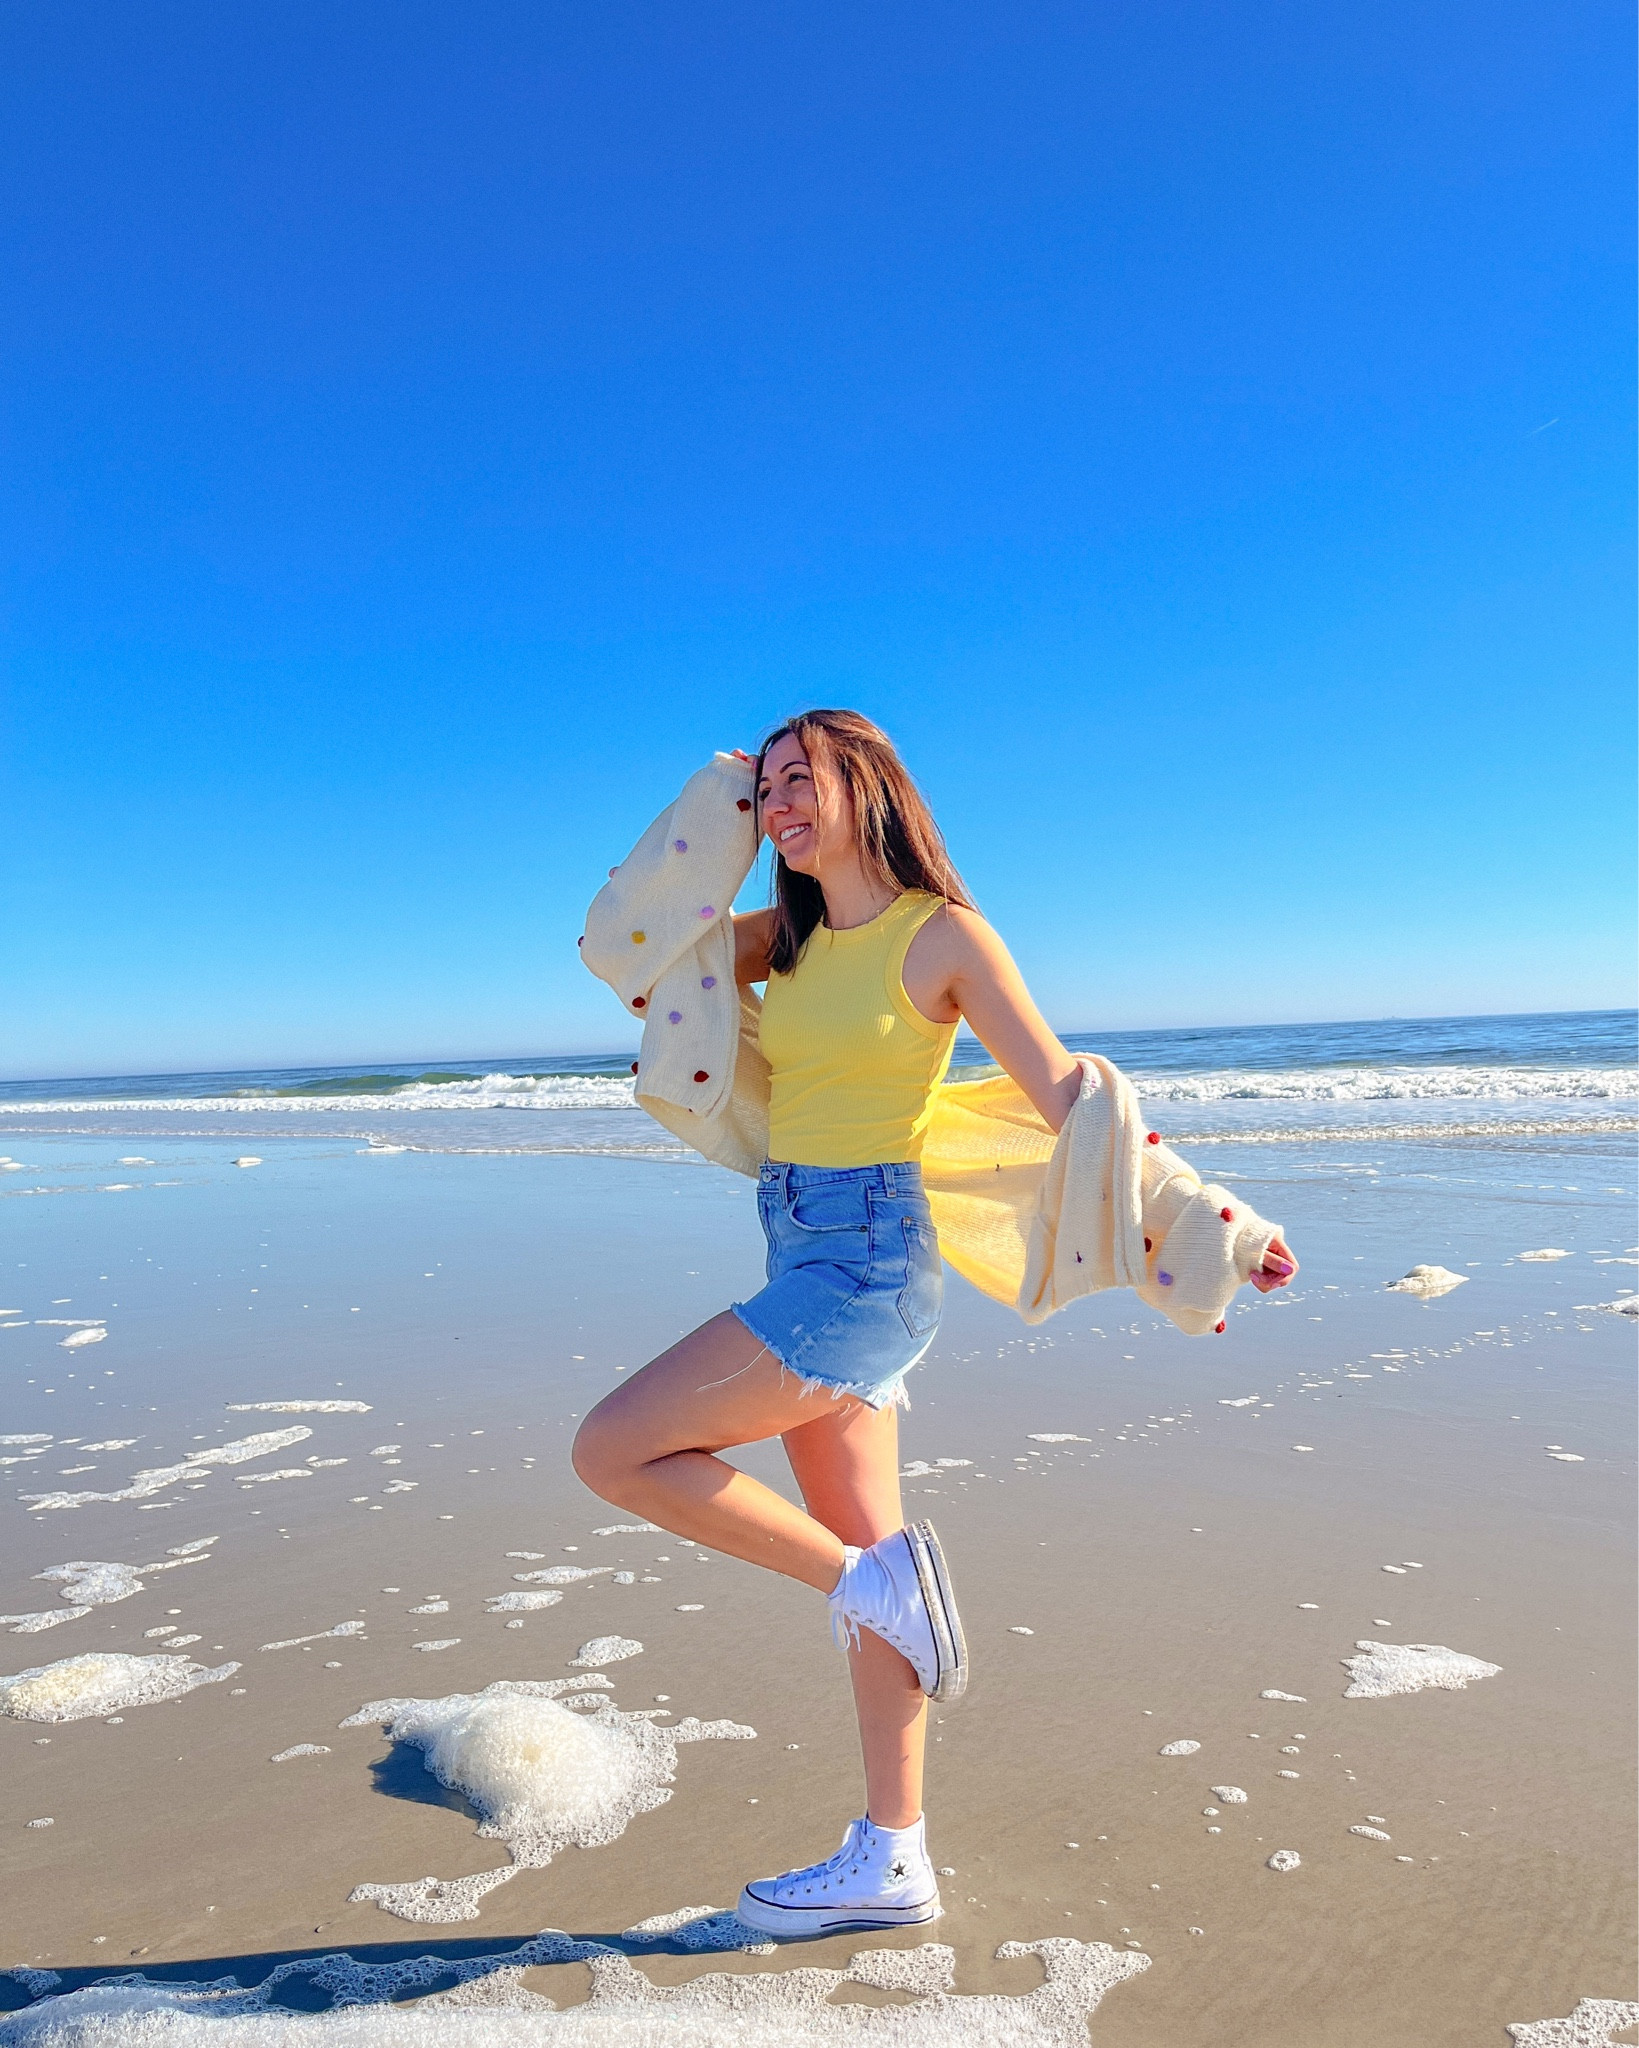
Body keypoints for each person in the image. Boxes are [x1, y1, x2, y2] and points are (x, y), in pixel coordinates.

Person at [571, 708, 1297, 1938]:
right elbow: (630, 949)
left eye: (804, 783)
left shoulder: (942, 937)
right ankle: (891, 1853)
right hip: (797, 1234)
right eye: (771, 791)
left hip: (863, 1267)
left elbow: (1070, 1097)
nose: (783, 808)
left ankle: (873, 1584)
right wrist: (722, 799)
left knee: (615, 1449)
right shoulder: (776, 944)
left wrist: (1210, 1218)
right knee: (873, 1573)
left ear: (871, 786)